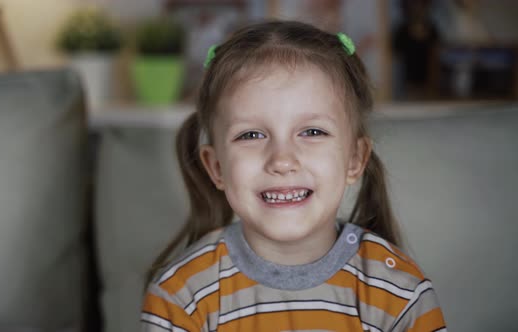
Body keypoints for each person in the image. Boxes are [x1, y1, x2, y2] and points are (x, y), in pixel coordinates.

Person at [141, 20, 447, 332]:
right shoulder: (180, 295)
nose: (282, 160)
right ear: (216, 167)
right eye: (250, 135)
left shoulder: (402, 293)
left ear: (355, 159)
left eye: (312, 131)